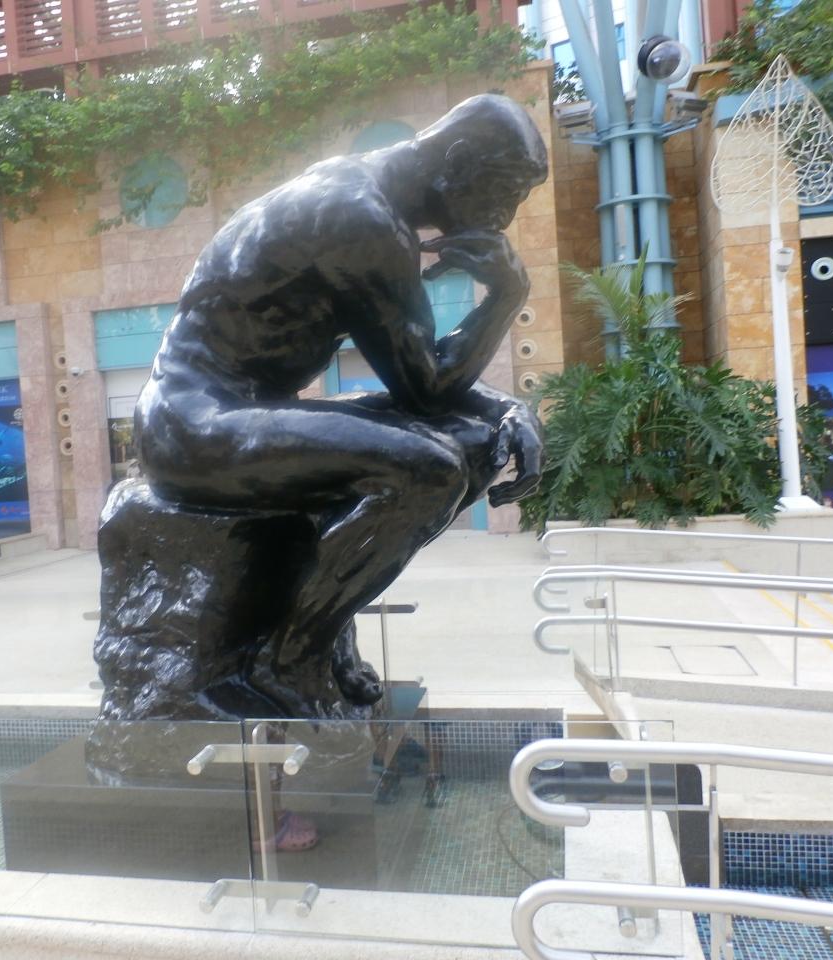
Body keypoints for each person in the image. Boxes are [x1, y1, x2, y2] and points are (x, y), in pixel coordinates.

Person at [134, 94, 547, 718]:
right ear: (459, 160)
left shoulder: (368, 200)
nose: (505, 217)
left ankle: (317, 629)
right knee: (429, 470)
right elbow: (426, 389)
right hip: (190, 423)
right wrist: (506, 296)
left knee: (476, 441)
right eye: (505, 192)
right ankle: (288, 658)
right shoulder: (360, 217)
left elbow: (420, 378)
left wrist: (504, 408)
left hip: (241, 414)